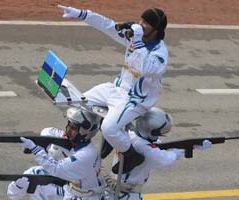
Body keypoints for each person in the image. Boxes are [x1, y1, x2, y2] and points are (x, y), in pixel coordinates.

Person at [58, 4, 169, 173]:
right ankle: (93, 138)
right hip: (115, 89)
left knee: (109, 128)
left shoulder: (160, 53)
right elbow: (108, 26)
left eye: (146, 23)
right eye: (141, 19)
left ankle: (131, 155)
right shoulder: (135, 37)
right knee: (78, 103)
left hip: (135, 99)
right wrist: (82, 14)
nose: (141, 24)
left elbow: (145, 68)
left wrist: (137, 41)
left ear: (156, 29)